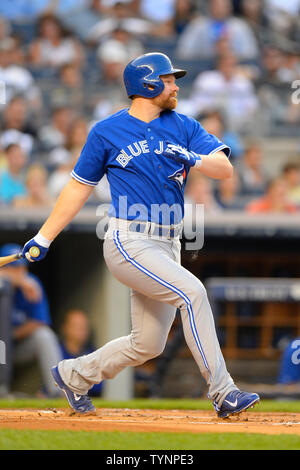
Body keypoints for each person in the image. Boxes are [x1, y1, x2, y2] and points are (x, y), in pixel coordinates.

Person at [20, 52, 260, 417]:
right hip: (128, 239)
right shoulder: (107, 131)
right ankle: (223, 392)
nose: (175, 85)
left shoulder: (183, 125)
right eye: (168, 79)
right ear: (147, 84)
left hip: (168, 242)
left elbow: (224, 169)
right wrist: (43, 237)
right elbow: (77, 188)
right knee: (192, 292)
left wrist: (192, 158)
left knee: (147, 344)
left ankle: (75, 374)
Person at [0, 243, 62, 397]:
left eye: (23, 269)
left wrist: (10, 335)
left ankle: (56, 391)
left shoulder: (31, 285)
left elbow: (40, 322)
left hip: (15, 348)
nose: (20, 273)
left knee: (44, 335)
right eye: (14, 269)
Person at [59, 309, 102, 396]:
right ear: (65, 328)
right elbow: (51, 383)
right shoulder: (55, 350)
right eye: (77, 327)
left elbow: (98, 387)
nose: (82, 331)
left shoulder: (93, 354)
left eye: (85, 327)